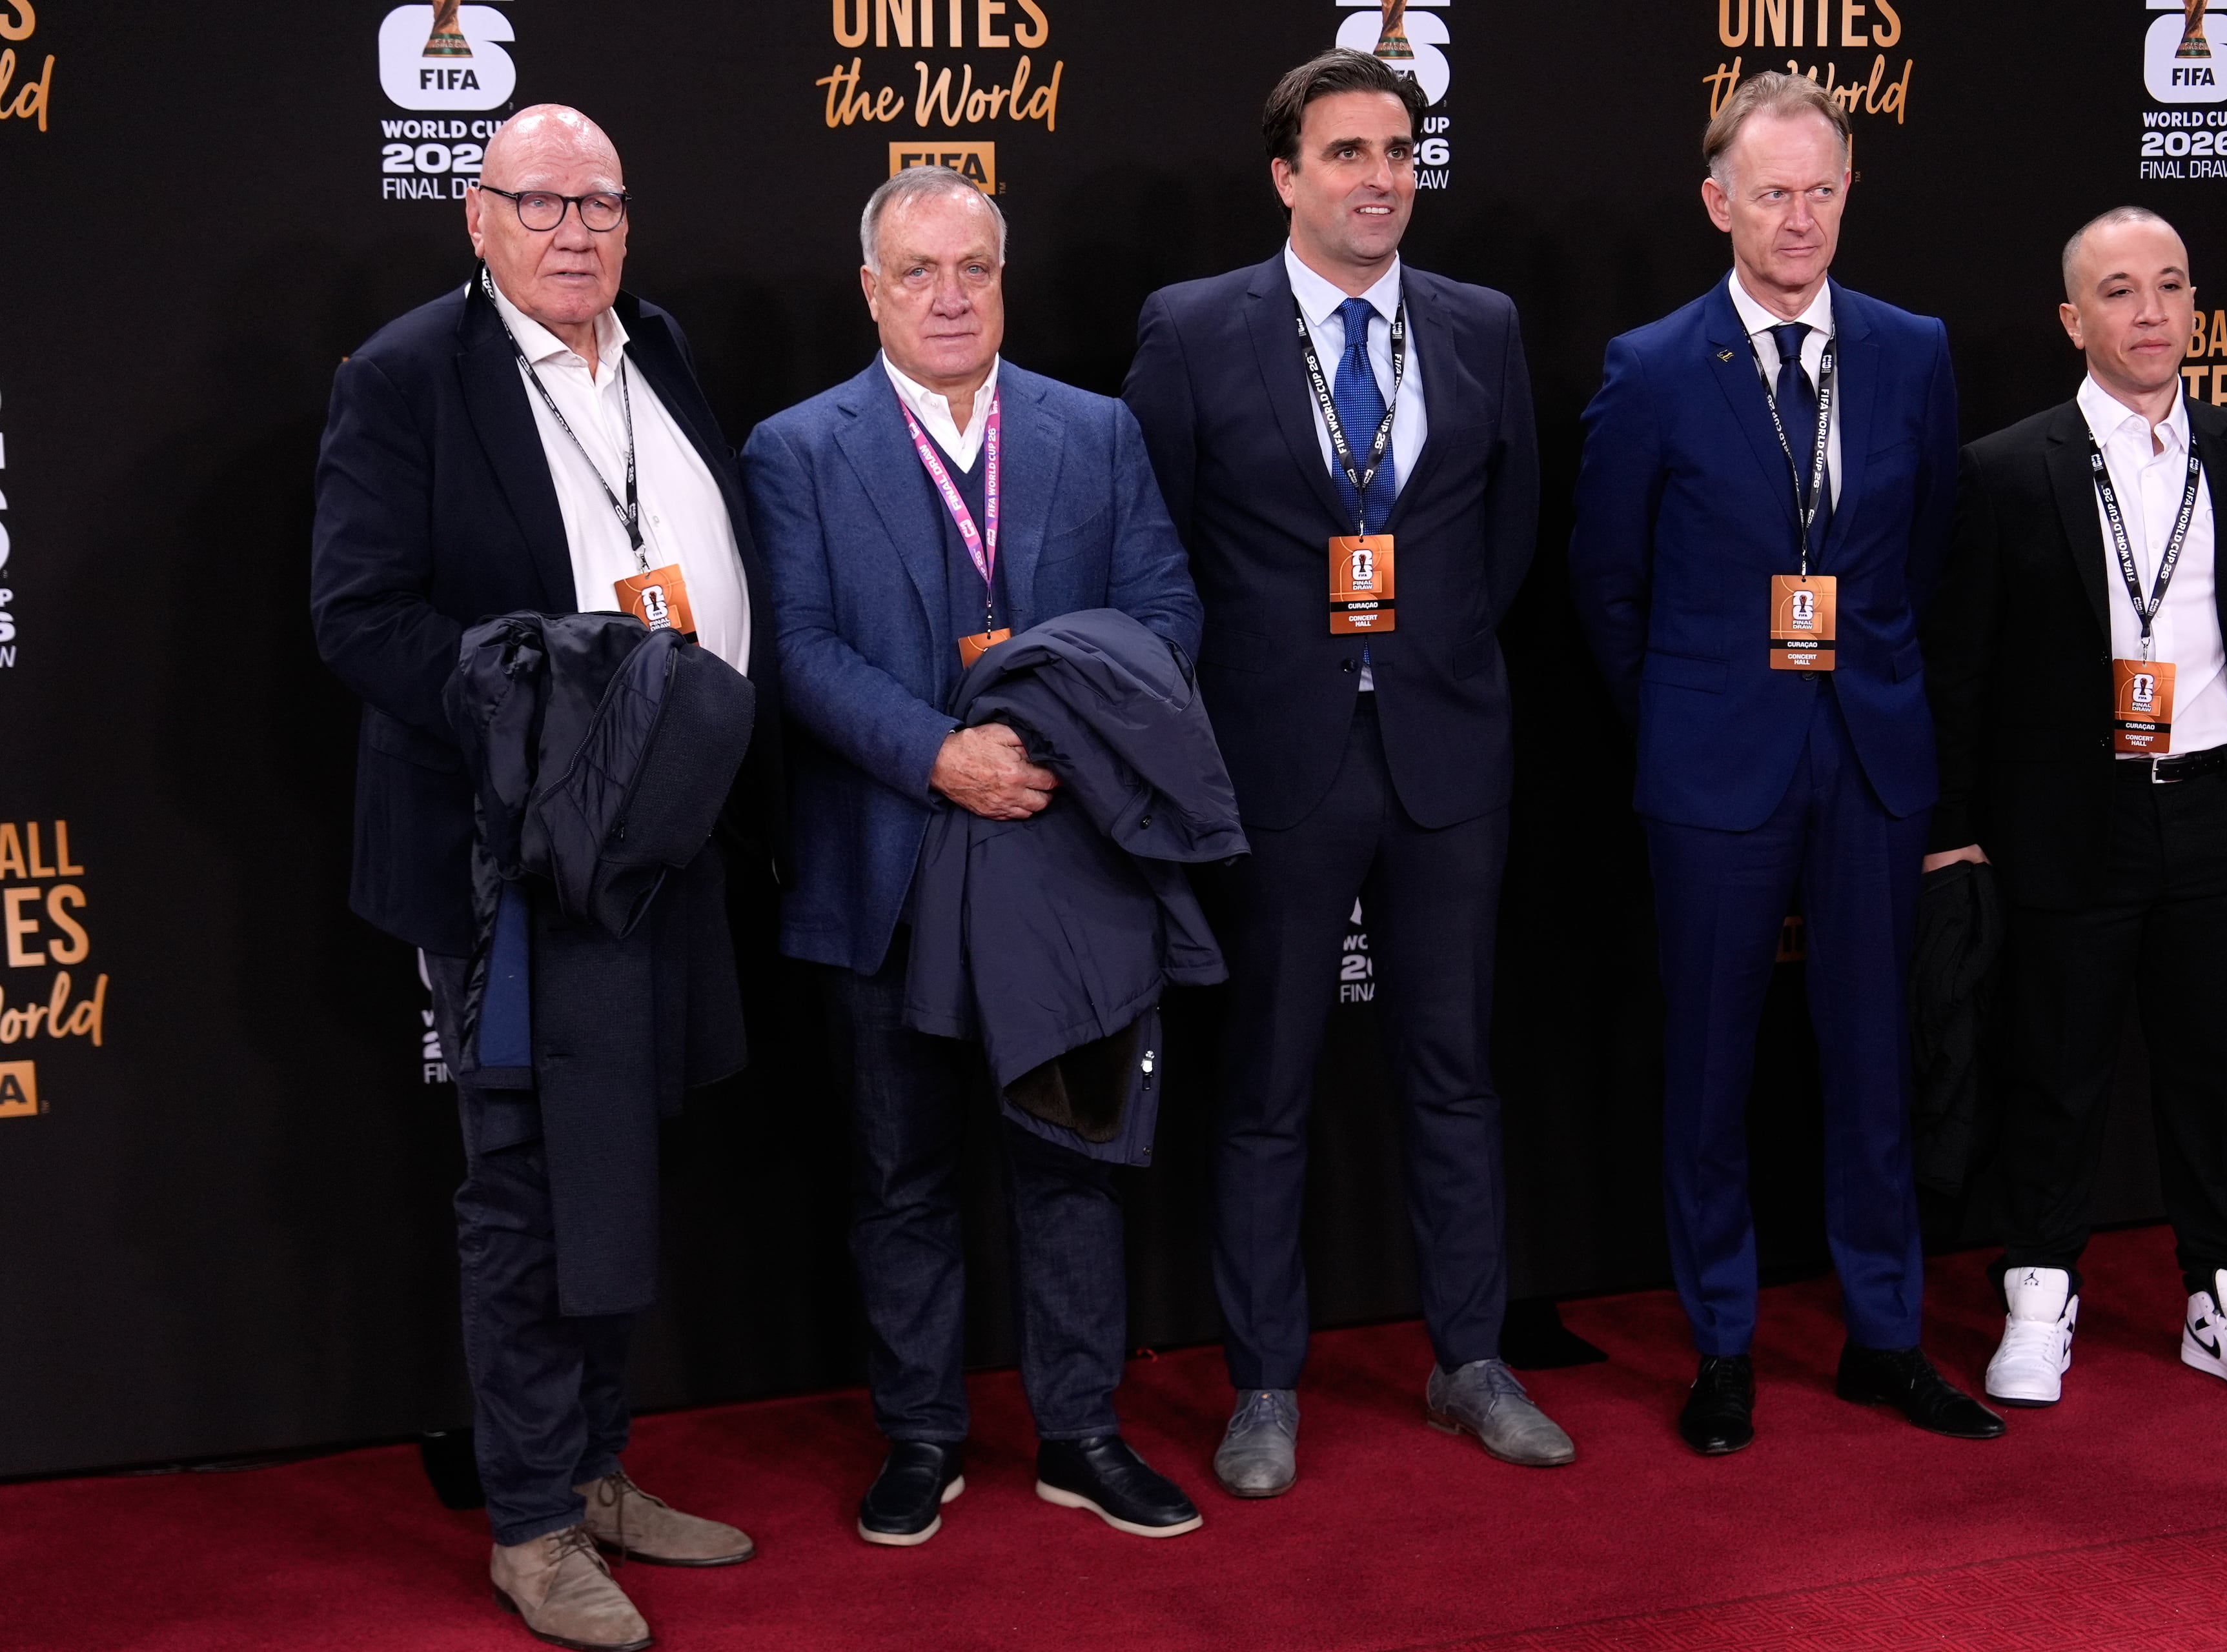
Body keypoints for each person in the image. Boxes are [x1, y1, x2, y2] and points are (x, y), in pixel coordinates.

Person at [310, 105, 766, 1652]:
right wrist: (543, 694)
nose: (577, 230)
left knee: (619, 1164)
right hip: (510, 859)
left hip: (661, 843)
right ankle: (529, 1524)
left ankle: (595, 1470)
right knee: (523, 1187)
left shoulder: (658, 346)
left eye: (602, 204)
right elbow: (357, 616)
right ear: (477, 215)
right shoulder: (404, 376)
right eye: (542, 202)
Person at [1123, 48, 1571, 1499]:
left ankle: (1471, 1360)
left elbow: (1506, 532)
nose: (1380, 179)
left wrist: (1428, 654)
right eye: (1345, 154)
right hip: (1273, 759)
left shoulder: (1483, 323)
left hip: (1447, 751)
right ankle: (1264, 1382)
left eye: (1397, 151)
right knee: (1265, 1086)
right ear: (1287, 175)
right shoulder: (1195, 328)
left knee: (1455, 1073)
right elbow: (1158, 546)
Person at [741, 167, 1208, 1545]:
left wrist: (1055, 740)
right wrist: (941, 754)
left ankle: (1081, 1432)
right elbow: (796, 648)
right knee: (902, 1174)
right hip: (887, 863)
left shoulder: (1097, 431)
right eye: (919, 272)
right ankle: (922, 1433)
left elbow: (1166, 610)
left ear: (1004, 281)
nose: (950, 297)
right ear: (871, 291)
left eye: (975, 269)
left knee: (1072, 1164)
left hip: (1064, 857)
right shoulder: (797, 449)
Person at [1569, 72, 2002, 1455]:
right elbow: (1607, 582)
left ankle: (1886, 1337)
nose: (1800, 217)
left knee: (1875, 1061)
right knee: (1710, 1067)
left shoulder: (1912, 349)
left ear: (1848, 192)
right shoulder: (1651, 367)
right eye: (1772, 193)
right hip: (1714, 765)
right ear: (1720, 204)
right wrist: (1688, 715)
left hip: (1871, 753)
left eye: (1821, 190)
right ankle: (1722, 1345)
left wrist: (1858, 678)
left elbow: (1925, 551)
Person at [1922, 206, 2227, 1408]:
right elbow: (1963, 668)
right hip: (2067, 820)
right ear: (2072, 319)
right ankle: (2039, 1299)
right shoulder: (2005, 469)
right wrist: (1958, 827)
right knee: (2056, 1070)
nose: (2151, 312)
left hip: (2220, 811)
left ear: (2195, 304)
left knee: (2214, 1072)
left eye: (2171, 285)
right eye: (2120, 291)